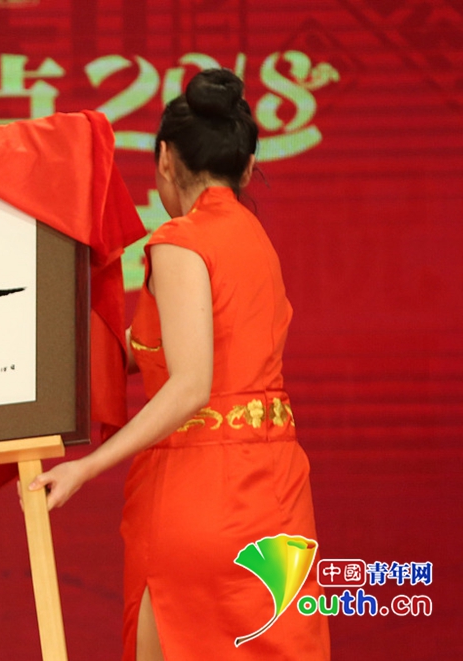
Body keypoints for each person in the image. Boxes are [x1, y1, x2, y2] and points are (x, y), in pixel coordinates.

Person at [28, 69, 330, 660]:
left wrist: (86, 468)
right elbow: (159, 353)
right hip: (273, 492)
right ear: (247, 167)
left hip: (199, 492)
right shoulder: (254, 239)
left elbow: (191, 385)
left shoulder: (180, 241)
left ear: (165, 158)